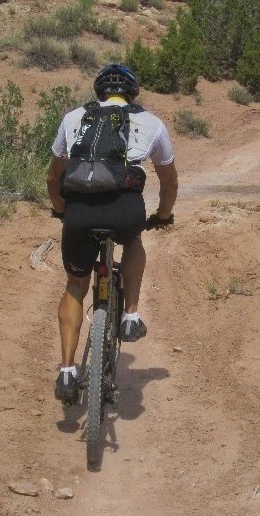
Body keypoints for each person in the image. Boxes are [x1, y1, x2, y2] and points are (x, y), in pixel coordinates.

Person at [46, 63, 179, 403]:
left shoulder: (74, 118)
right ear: (133, 94)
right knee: (134, 240)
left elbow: (53, 176)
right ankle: (131, 315)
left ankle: (66, 371)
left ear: (99, 93)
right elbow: (168, 180)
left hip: (78, 211)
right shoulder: (151, 123)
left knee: (76, 285)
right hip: (125, 210)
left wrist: (61, 209)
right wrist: (163, 215)